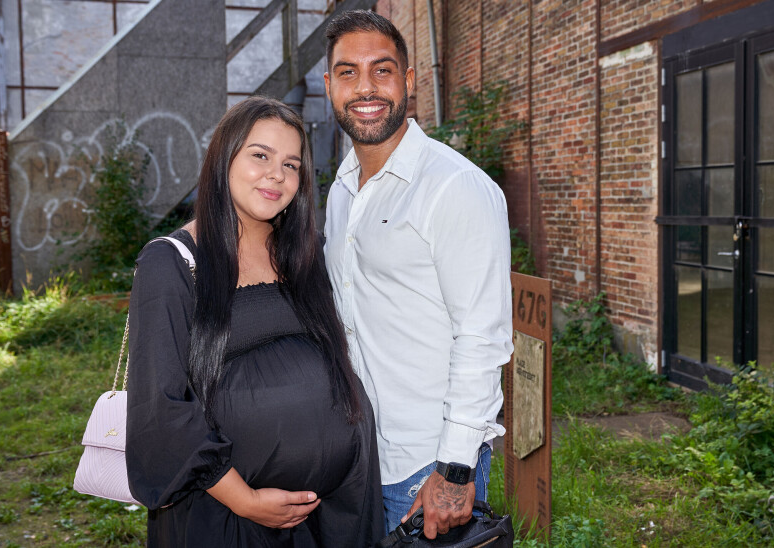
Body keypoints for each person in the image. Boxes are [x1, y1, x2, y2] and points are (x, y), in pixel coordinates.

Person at [126, 96, 384, 547]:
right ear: (224, 157)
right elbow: (159, 408)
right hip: (227, 519)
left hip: (336, 513)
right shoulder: (172, 263)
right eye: (260, 156)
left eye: (291, 164)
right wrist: (243, 498)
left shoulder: (308, 254)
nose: (276, 175)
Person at [322, 10, 514, 541]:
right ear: (329, 86)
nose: (365, 87)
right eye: (347, 72)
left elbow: (482, 334)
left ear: (408, 81)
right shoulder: (341, 189)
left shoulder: (455, 187)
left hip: (425, 466)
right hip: (360, 456)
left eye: (382, 71)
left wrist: (454, 470)